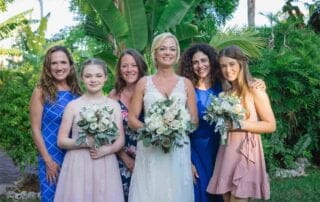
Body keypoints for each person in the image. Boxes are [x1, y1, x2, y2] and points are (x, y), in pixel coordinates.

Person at [128, 32, 198, 202]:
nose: (168, 52)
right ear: (155, 53)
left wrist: (175, 129)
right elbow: (132, 119)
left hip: (177, 147)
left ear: (177, 53)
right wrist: (152, 131)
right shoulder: (144, 82)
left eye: (172, 49)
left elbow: (194, 121)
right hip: (150, 148)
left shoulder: (186, 83)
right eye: (163, 49)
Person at [206, 45, 276, 202]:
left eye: (231, 64)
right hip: (227, 150)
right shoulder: (225, 93)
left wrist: (239, 124)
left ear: (241, 64)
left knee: (238, 198)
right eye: (223, 66)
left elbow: (271, 125)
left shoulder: (255, 90)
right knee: (226, 197)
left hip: (246, 152)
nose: (227, 70)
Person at [54, 58, 125, 202]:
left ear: (105, 78)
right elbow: (61, 141)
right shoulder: (73, 106)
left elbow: (120, 139)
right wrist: (86, 142)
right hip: (78, 163)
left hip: (105, 161)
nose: (93, 80)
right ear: (82, 78)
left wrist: (107, 150)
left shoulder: (114, 106)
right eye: (88, 76)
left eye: (98, 76)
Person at [29, 45, 81, 202]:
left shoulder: (77, 91)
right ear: (48, 67)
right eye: (54, 63)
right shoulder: (40, 91)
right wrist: (47, 160)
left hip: (73, 153)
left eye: (63, 62)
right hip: (51, 154)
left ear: (70, 65)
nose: (59, 67)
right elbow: (35, 128)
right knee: (51, 196)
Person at [108, 49, 148, 201]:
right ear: (119, 69)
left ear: (140, 67)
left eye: (134, 65)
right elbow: (108, 133)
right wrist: (125, 158)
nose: (129, 70)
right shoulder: (113, 96)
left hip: (149, 156)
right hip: (122, 158)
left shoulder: (150, 92)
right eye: (125, 66)